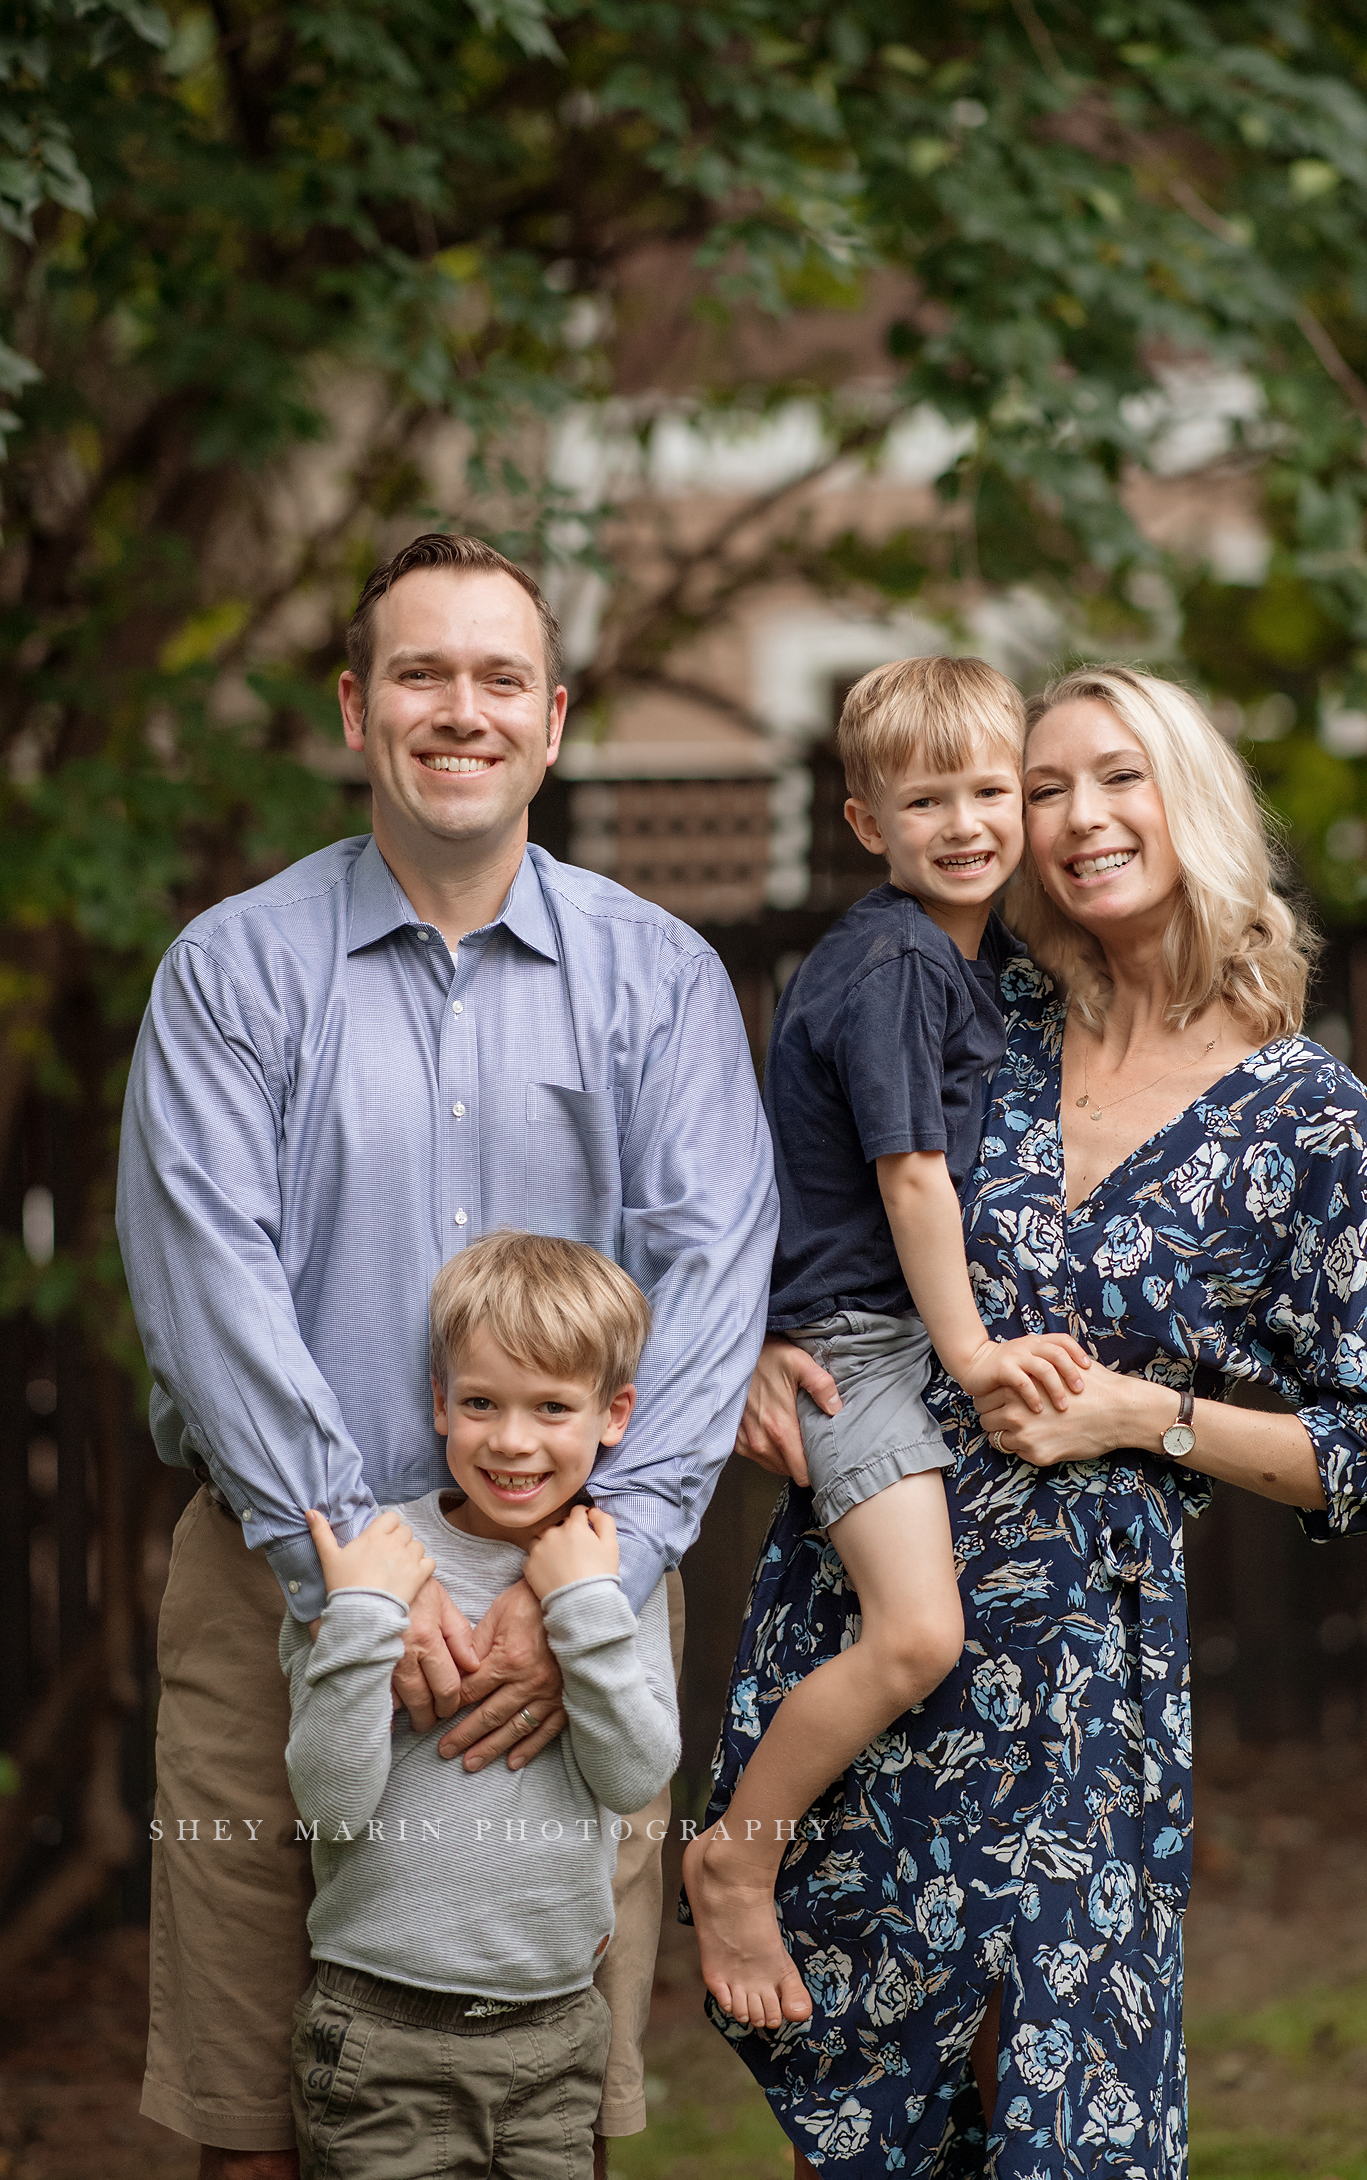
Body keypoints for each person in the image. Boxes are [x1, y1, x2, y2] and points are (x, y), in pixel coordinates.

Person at [715, 663, 1367, 2178]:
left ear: (1190, 795)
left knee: (1063, 2123)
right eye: (1041, 784)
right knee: (870, 2123)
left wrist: (1147, 1414)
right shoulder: (961, 1002)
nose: (1072, 816)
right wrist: (745, 1334)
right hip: (874, 1621)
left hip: (1078, 1695)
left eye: (1113, 775)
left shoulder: (1303, 1117)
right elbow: (777, 1163)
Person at [118, 533, 777, 2178]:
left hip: (582, 1604)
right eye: (420, 673)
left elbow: (713, 1278)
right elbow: (210, 1285)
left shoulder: (660, 981)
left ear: (552, 723)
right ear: (358, 708)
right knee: (250, 2115)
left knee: (559, 2110)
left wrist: (592, 1591)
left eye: (499, 679)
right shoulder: (233, 977)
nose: (458, 710)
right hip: (283, 1593)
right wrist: (362, 1569)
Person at [683, 658, 1089, 2033]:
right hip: (862, 1342)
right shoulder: (902, 961)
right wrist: (973, 1352)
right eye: (929, 799)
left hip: (893, 1335)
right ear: (869, 824)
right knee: (917, 1634)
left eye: (990, 789)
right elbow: (912, 1176)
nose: (968, 821)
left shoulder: (962, 958)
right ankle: (736, 1859)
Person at [283, 1229, 679, 2180]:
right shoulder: (378, 1558)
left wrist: (582, 1606)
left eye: (553, 1407)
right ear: (439, 1405)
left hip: (553, 2033)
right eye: (481, 1404)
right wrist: (366, 1617)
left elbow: (632, 1775)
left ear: (614, 1413)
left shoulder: (612, 1567)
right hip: (382, 2035)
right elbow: (329, 1804)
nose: (512, 1439)